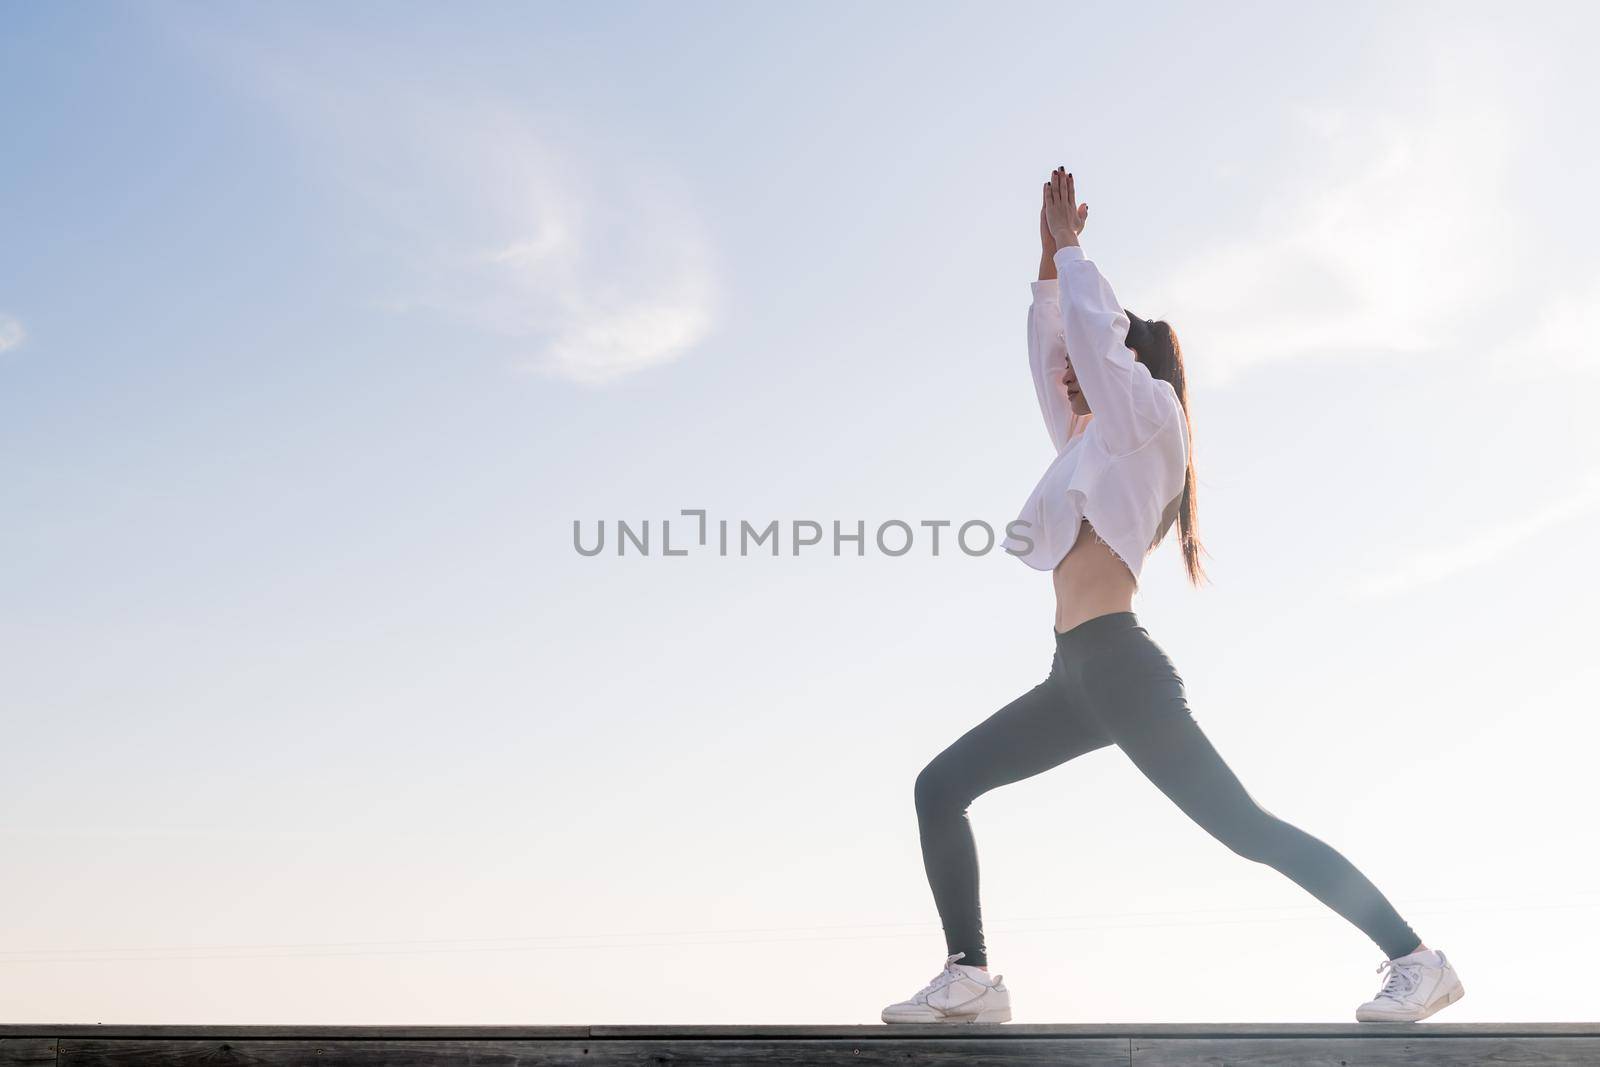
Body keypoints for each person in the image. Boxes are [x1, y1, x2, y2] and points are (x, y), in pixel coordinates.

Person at [880, 167, 1465, 1026]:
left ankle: (1417, 958)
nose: (1070, 379)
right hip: (1072, 678)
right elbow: (1058, 355)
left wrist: (1077, 258)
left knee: (1247, 830)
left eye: (1090, 365)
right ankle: (970, 975)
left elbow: (1094, 345)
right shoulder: (1085, 446)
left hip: (1120, 669)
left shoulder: (1150, 419)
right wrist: (1047, 268)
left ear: (1127, 363)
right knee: (941, 786)